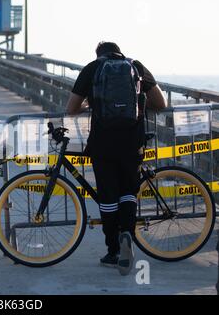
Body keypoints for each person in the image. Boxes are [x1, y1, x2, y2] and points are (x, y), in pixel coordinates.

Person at [66, 42, 167, 276]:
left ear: (98, 55)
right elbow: (161, 103)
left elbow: (71, 108)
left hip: (103, 142)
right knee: (128, 191)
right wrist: (139, 103)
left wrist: (89, 104)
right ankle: (127, 235)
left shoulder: (92, 69)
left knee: (108, 196)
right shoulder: (136, 67)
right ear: (119, 51)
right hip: (133, 141)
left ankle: (113, 250)